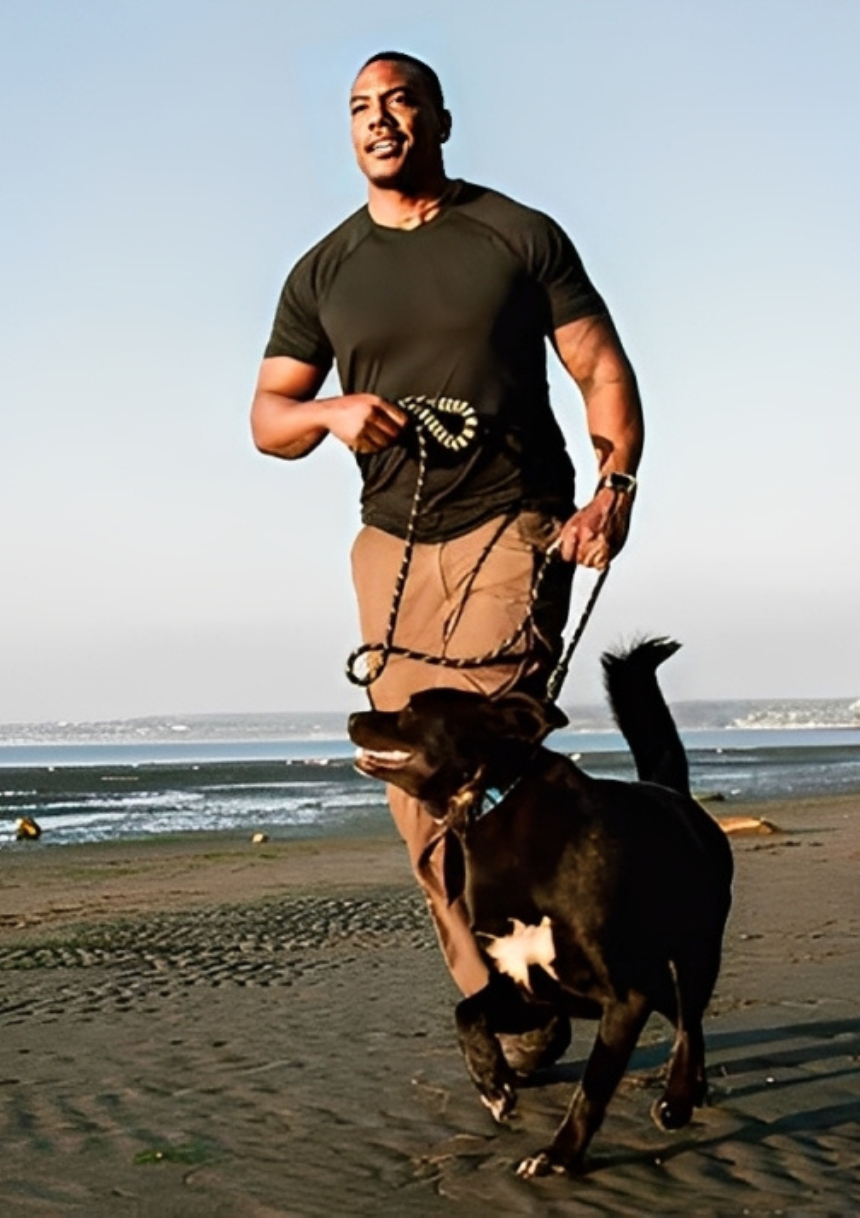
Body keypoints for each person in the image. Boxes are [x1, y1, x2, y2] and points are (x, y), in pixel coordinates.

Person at [250, 52, 643, 1013]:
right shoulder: (324, 270)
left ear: (441, 119)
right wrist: (331, 414)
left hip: (513, 524)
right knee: (414, 791)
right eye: (359, 109)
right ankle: (497, 995)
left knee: (496, 765)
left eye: (399, 102)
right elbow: (268, 419)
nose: (379, 120)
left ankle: (557, 968)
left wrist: (614, 484)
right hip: (389, 546)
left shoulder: (516, 235)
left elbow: (599, 368)